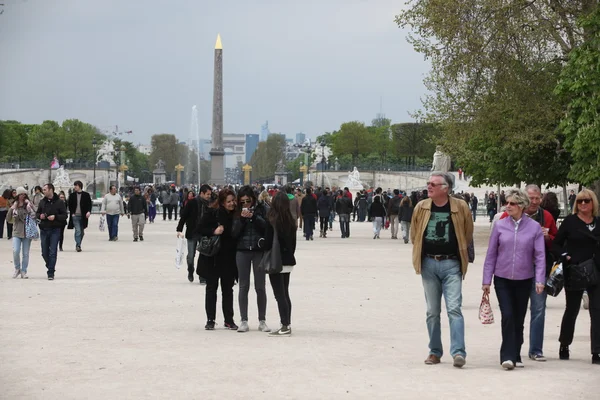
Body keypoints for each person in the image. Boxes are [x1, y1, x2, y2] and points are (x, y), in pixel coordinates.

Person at [410, 172, 474, 368]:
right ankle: (435, 351)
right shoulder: (421, 207)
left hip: (451, 264)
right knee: (432, 311)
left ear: (445, 188)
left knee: (454, 308)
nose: (429, 186)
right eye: (428, 183)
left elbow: (467, 232)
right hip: (429, 264)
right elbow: (414, 234)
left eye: (434, 184)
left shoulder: (460, 207)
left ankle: (458, 352)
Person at [482, 189, 546, 370]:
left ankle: (516, 353)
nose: (508, 206)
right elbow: (491, 254)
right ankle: (507, 356)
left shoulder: (534, 228)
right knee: (508, 315)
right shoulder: (500, 225)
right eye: (506, 202)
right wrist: (486, 280)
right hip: (502, 278)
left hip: (524, 278)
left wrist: (540, 280)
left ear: (522, 206)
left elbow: (540, 256)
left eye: (512, 203)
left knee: (519, 318)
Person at [552, 188, 600, 365]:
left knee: (597, 311)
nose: (583, 204)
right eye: (580, 201)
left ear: (593, 202)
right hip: (576, 271)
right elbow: (556, 245)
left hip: (596, 271)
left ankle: (597, 351)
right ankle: (564, 344)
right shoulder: (570, 222)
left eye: (587, 200)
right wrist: (565, 256)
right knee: (572, 310)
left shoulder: (598, 222)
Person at [198, 189, 238, 330]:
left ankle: (229, 319)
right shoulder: (212, 213)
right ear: (221, 202)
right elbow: (200, 228)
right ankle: (210, 319)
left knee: (228, 290)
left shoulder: (236, 214)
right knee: (211, 289)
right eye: (229, 201)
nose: (232, 203)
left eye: (233, 200)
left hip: (229, 258)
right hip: (214, 257)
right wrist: (213, 231)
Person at [231, 186, 270, 333]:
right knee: (243, 286)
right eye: (243, 202)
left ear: (253, 199)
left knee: (260, 287)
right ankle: (244, 320)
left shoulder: (262, 209)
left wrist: (253, 218)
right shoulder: (236, 212)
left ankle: (262, 320)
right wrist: (242, 219)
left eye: (248, 201)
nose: (246, 204)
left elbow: (267, 228)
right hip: (242, 250)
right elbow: (233, 233)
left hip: (258, 250)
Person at [261, 191, 297, 336]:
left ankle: (285, 325)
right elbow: (293, 244)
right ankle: (287, 322)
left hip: (276, 260)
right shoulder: (290, 220)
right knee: (285, 293)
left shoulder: (272, 219)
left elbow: (268, 242)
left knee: (279, 295)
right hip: (288, 260)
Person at [177, 184, 211, 284]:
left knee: (204, 255)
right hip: (192, 232)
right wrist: (179, 229)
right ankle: (190, 270)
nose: (209, 196)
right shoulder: (192, 203)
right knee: (191, 256)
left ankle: (202, 276)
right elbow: (184, 216)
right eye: (207, 194)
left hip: (204, 233)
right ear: (201, 193)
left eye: (210, 194)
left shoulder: (210, 204)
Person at [36, 183, 68, 280]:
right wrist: (40, 216)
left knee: (53, 251)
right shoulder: (42, 202)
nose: (43, 191)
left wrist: (55, 217)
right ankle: (50, 265)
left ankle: (51, 272)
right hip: (44, 229)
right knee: (44, 252)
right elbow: (37, 213)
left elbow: (65, 215)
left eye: (45, 189)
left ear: (51, 190)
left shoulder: (59, 202)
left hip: (55, 229)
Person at [10, 187, 37, 279]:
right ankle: (17, 268)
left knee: (25, 253)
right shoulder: (15, 204)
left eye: (24, 194)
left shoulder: (29, 204)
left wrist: (30, 207)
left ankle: (24, 270)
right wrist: (12, 209)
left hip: (27, 231)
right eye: (21, 194)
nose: (22, 196)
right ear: (17, 195)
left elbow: (35, 215)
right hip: (17, 231)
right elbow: (8, 218)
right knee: (16, 251)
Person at [67, 180, 92, 252]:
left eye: (76, 185)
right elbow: (70, 205)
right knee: (78, 231)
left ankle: (78, 244)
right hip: (75, 216)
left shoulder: (86, 195)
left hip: (83, 216)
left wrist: (89, 212)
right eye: (74, 185)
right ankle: (78, 245)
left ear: (80, 186)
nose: (75, 187)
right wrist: (72, 213)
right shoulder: (72, 195)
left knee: (82, 232)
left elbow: (89, 204)